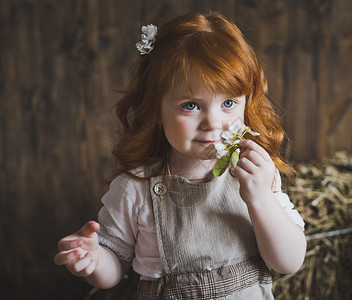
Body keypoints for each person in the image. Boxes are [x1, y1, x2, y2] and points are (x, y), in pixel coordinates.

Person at [54, 12, 306, 299]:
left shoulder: (255, 175)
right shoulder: (134, 189)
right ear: (155, 110)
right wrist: (93, 259)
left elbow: (288, 262)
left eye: (228, 103)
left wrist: (260, 199)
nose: (213, 122)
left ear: (246, 104)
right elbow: (115, 269)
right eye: (190, 105)